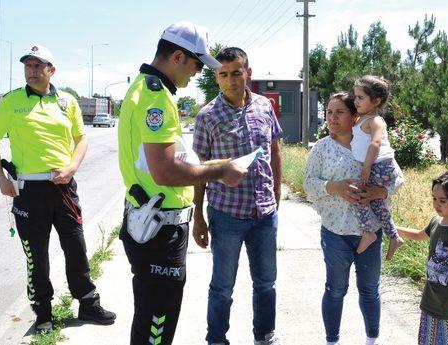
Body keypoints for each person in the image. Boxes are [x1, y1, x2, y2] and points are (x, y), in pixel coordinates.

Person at [117, 21, 248, 345]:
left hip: (151, 221)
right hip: (160, 230)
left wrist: (204, 165)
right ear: (178, 56)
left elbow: (154, 163)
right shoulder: (157, 97)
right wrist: (219, 172)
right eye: (197, 64)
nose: (197, 73)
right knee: (157, 326)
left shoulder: (143, 87)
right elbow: (164, 172)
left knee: (148, 318)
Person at [0, 44, 116, 333]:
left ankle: (88, 303)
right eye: (28, 66)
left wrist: (72, 168)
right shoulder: (11, 102)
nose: (31, 71)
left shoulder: (67, 102)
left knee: (76, 247)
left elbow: (81, 139)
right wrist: (1, 179)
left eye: (37, 65)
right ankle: (43, 311)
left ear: (51, 70)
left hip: (64, 189)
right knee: (36, 255)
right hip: (29, 191)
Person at [192, 47, 283, 345]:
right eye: (223, 74)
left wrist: (277, 193)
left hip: (265, 214)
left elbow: (275, 152)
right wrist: (199, 217)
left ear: (248, 73)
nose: (230, 80)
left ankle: (264, 336)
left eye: (236, 72)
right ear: (216, 77)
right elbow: (200, 168)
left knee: (266, 283)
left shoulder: (264, 106)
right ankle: (216, 339)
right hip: (226, 214)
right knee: (222, 286)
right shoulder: (207, 116)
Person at [303, 92, 404, 345]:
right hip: (335, 232)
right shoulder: (322, 148)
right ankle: (332, 341)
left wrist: (379, 192)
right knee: (335, 290)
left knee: (369, 291)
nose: (332, 118)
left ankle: (372, 339)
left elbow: (398, 178)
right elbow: (308, 183)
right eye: (328, 112)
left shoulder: (371, 145)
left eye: (339, 112)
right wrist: (334, 186)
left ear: (354, 116)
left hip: (371, 234)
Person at [396, 171, 448, 345]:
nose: (437, 204)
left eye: (443, 201)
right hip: (430, 302)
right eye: (434, 199)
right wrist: (393, 227)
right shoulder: (435, 222)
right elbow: (418, 235)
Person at [351, 75, 404, 259]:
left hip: (379, 166)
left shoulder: (375, 121)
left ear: (376, 101)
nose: (355, 100)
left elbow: (375, 144)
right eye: (355, 96)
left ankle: (368, 232)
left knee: (359, 195)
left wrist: (366, 168)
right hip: (376, 166)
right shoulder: (361, 119)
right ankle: (394, 236)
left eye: (360, 97)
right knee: (377, 203)